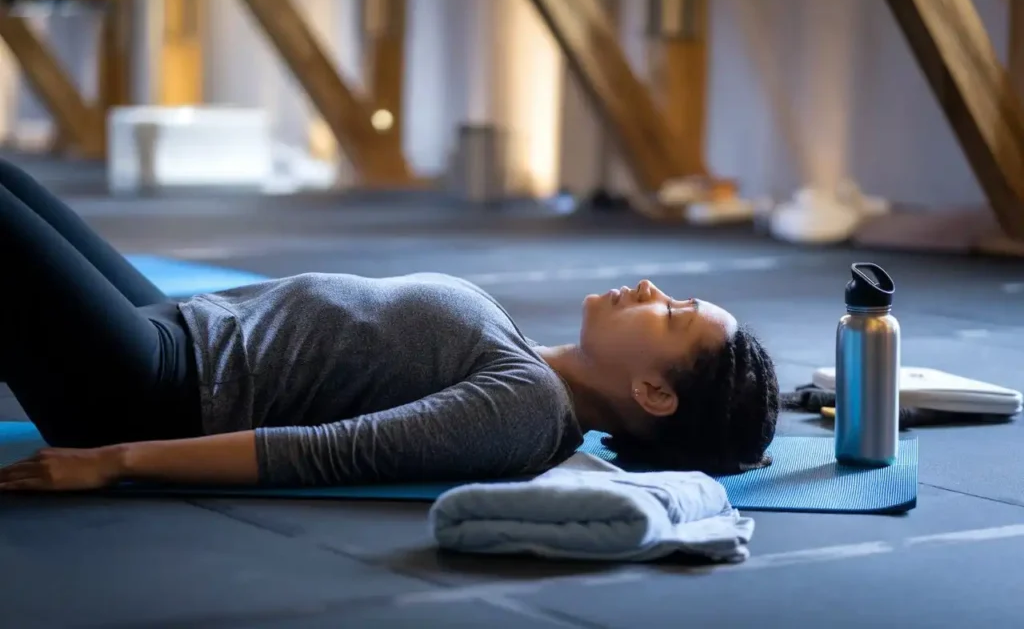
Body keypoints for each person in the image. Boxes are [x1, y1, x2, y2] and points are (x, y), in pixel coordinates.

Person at [0, 158, 780, 493]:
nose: (650, 287)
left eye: (672, 314)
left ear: (652, 392)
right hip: (184, 328)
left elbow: (334, 454)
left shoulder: (525, 411)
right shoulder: (530, 361)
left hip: (155, 386)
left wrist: (114, 461)